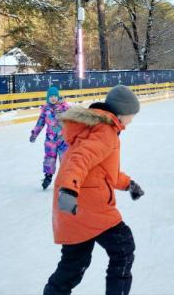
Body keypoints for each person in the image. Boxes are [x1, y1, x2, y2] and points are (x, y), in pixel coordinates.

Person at [43, 85, 144, 295]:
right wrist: (69, 189)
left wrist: (129, 184)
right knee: (123, 248)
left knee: (74, 265)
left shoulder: (97, 128)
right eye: (132, 115)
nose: (132, 120)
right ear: (122, 112)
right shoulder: (105, 131)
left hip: (77, 206)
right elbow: (80, 159)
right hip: (88, 206)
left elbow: (105, 172)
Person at [30, 86, 71, 190]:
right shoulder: (46, 110)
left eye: (55, 96)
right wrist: (34, 134)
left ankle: (66, 180)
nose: (53, 98)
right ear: (48, 98)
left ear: (58, 97)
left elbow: (72, 120)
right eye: (51, 96)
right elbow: (40, 123)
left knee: (65, 159)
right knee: (49, 159)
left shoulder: (65, 107)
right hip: (50, 140)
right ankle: (48, 177)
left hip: (63, 139)